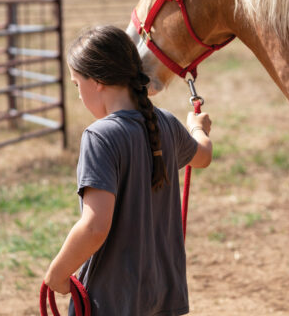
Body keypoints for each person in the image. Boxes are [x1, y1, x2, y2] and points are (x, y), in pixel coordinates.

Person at [44, 25, 213, 316]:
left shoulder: (100, 137)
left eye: (77, 84)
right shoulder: (166, 124)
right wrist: (197, 128)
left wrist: (57, 274)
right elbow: (203, 156)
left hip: (112, 300)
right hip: (162, 295)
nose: (78, 95)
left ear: (97, 81)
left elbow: (96, 227)